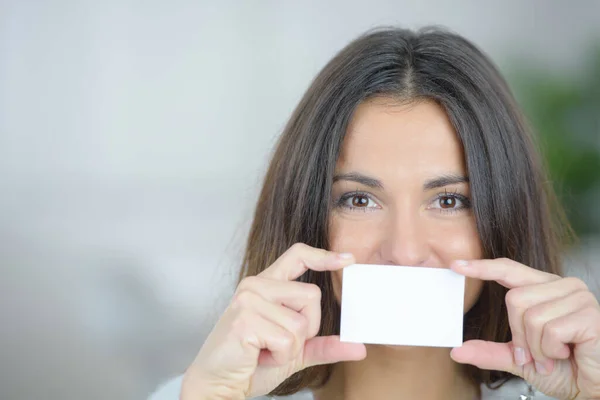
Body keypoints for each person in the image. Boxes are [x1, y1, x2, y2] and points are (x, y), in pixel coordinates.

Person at [150, 27, 600, 400]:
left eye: (448, 201)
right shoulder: (204, 393)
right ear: (307, 218)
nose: (404, 251)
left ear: (505, 218)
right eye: (359, 200)